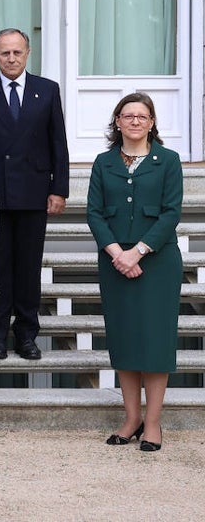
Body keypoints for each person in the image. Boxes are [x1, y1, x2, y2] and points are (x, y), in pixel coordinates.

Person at [0, 29, 68, 361]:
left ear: (28, 53)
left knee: (28, 268)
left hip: (34, 193)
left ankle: (26, 335)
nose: (11, 58)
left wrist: (58, 189)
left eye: (17, 52)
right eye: (5, 53)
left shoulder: (47, 90)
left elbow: (58, 144)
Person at [87, 93, 182, 453]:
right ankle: (130, 419)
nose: (135, 122)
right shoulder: (103, 161)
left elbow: (171, 212)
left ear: (152, 122)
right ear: (117, 122)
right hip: (114, 262)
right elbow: (95, 213)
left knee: (155, 343)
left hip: (156, 262)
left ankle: (153, 423)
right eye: (128, 116)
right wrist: (117, 253)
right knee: (125, 340)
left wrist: (137, 252)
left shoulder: (168, 161)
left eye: (142, 116)